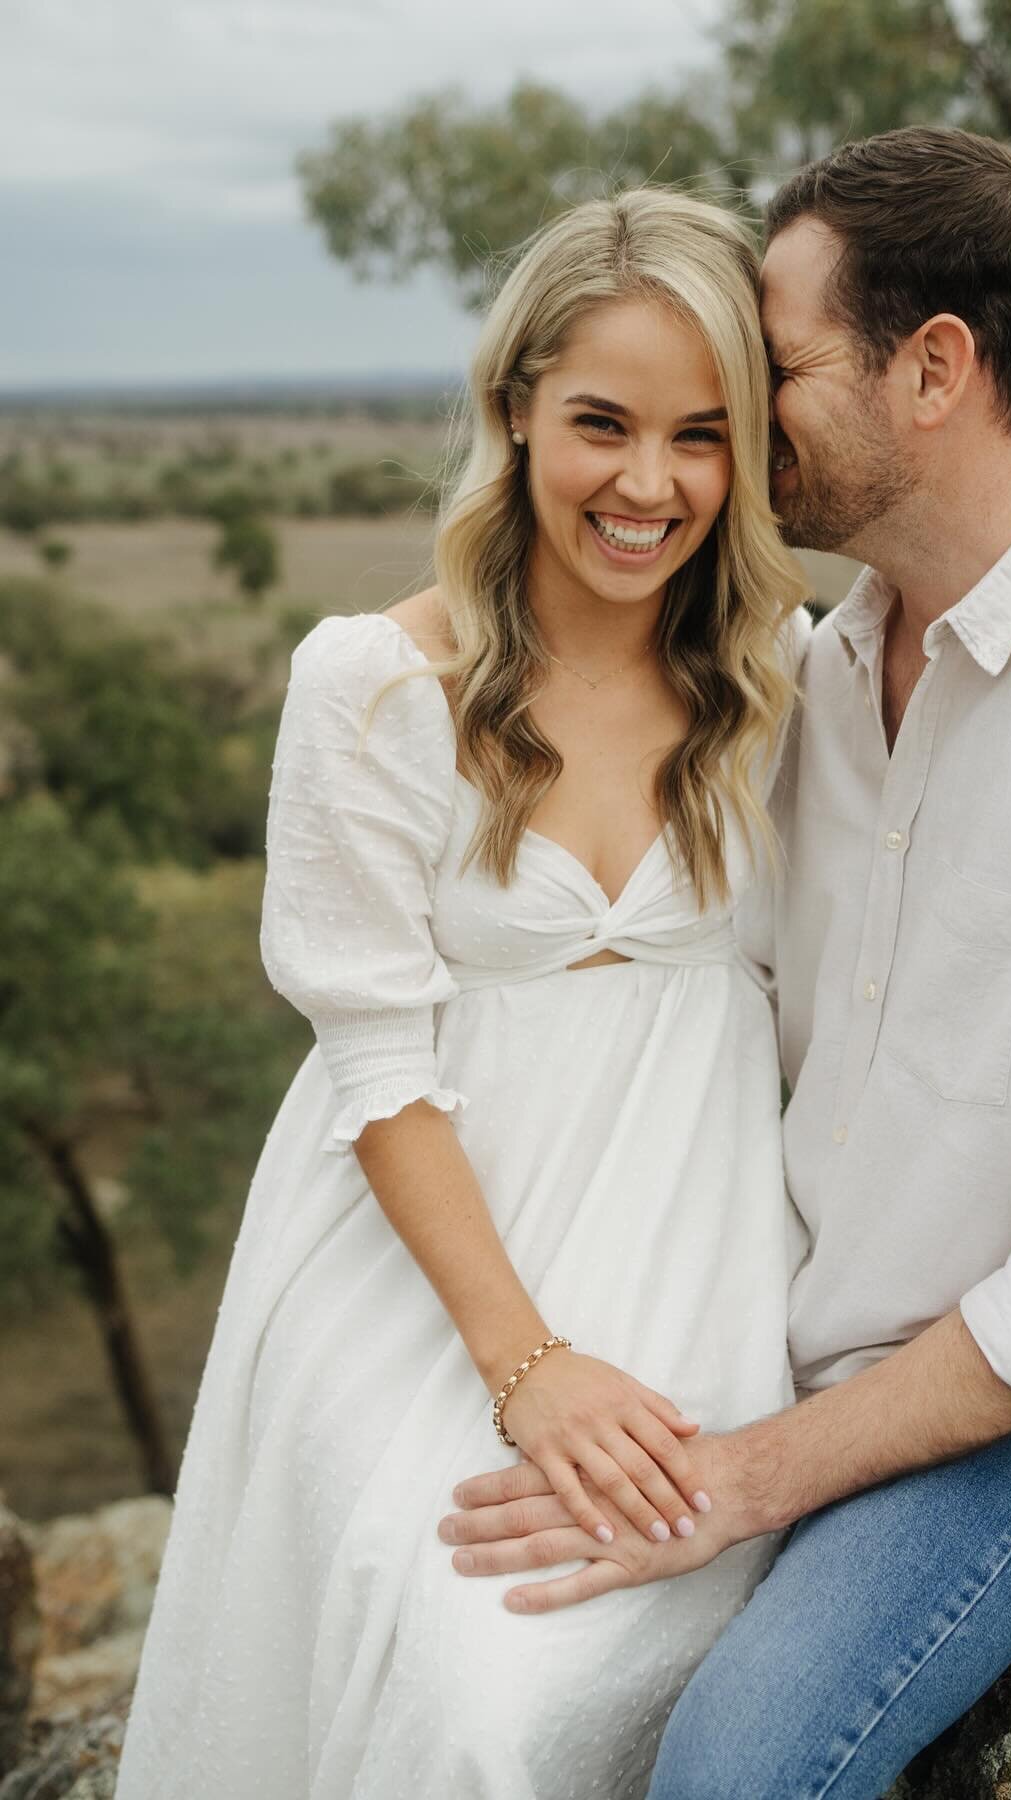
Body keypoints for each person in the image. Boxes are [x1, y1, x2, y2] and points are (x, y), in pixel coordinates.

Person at [437, 128, 1011, 1799]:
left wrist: (743, 1478)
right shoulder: (808, 675)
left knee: (728, 1768)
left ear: (933, 370)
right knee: (463, 1653)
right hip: (774, 1315)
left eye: (767, 367)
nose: (728, 414)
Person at [115, 188, 811, 1800]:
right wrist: (527, 1369)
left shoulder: (788, 675)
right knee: (464, 1690)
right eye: (601, 424)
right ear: (512, 411)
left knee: (622, 1662)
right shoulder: (374, 685)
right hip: (429, 1271)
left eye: (702, 436)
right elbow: (375, 1060)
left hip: (699, 1254)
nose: (650, 486)